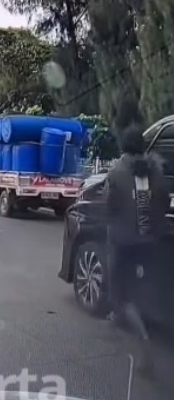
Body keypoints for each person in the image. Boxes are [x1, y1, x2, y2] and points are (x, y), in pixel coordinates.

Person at [104, 123, 170, 377]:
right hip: (152, 241)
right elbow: (164, 201)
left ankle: (143, 340)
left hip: (125, 242)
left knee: (122, 294)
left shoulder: (116, 171)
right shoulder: (158, 170)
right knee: (143, 290)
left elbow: (109, 206)